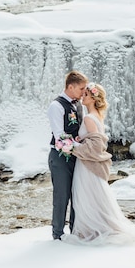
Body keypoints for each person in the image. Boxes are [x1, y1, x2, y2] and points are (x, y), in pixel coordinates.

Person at [62, 83, 135, 245]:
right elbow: (93, 140)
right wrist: (80, 140)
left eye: (86, 95)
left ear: (93, 99)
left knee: (86, 197)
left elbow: (96, 147)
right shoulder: (96, 115)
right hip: (89, 165)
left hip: (87, 166)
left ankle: (92, 231)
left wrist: (73, 147)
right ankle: (96, 227)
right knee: (95, 197)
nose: (82, 96)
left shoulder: (90, 118)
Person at [47, 70, 88, 240]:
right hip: (60, 158)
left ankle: (74, 231)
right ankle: (57, 235)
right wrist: (82, 148)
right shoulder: (56, 106)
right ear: (70, 87)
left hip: (76, 156)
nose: (83, 92)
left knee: (77, 194)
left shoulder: (78, 104)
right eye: (81, 89)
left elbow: (76, 130)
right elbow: (60, 136)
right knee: (61, 196)